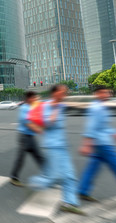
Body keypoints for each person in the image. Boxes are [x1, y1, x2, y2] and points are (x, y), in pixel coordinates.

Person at [28, 85, 84, 215]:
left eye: (65, 92)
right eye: (62, 92)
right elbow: (47, 123)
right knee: (53, 177)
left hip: (62, 146)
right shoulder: (47, 106)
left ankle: (69, 202)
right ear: (55, 93)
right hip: (52, 146)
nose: (65, 94)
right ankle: (35, 183)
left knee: (69, 175)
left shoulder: (61, 105)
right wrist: (55, 110)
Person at [9, 91, 44, 186]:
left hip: (30, 137)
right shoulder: (24, 108)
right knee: (21, 159)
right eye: (34, 98)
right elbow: (27, 122)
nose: (36, 99)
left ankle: (48, 175)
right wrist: (40, 131)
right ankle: (14, 177)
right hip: (24, 137)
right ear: (29, 98)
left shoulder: (32, 107)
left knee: (39, 157)